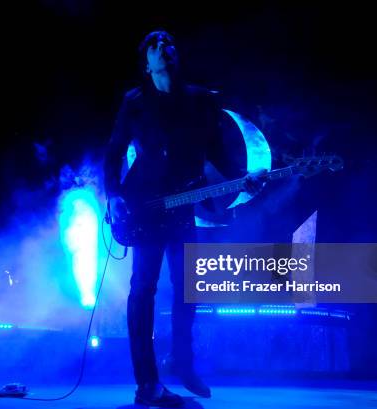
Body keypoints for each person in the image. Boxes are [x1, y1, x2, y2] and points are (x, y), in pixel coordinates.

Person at [104, 30, 264, 407]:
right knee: (142, 291)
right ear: (147, 63)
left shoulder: (200, 101)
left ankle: (183, 361)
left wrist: (245, 181)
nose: (167, 46)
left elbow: (218, 154)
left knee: (189, 287)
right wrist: (113, 197)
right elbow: (112, 154)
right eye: (157, 44)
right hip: (142, 207)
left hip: (182, 209)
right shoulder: (135, 102)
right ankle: (148, 384)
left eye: (171, 42)